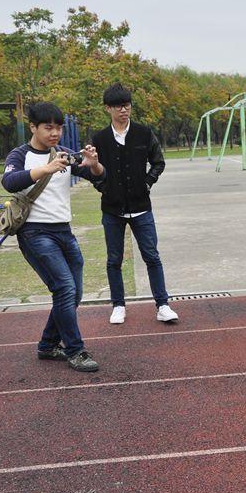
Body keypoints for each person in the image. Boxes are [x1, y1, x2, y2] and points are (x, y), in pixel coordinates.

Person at [2, 102, 105, 372]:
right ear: (33, 127)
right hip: (34, 232)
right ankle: (75, 350)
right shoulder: (20, 155)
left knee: (73, 293)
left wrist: (94, 165)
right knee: (64, 288)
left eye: (59, 127)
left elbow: (99, 178)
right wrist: (47, 169)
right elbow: (10, 182)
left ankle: (48, 345)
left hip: (64, 231)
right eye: (48, 127)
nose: (55, 133)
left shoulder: (65, 154)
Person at [90, 83, 178, 325]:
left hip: (141, 208)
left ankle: (163, 305)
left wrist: (147, 183)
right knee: (114, 260)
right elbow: (92, 170)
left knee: (152, 256)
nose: (124, 110)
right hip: (112, 210)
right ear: (108, 108)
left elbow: (158, 162)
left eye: (127, 105)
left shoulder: (143, 133)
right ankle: (118, 305)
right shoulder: (99, 138)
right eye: (118, 106)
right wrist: (104, 188)